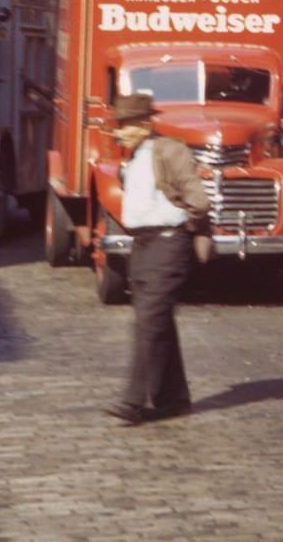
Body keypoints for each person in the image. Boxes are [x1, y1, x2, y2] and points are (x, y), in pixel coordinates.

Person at [103, 92, 211, 425]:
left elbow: (199, 199)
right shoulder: (135, 157)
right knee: (157, 320)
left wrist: (185, 227)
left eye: (126, 125)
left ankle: (133, 401)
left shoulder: (170, 150)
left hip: (167, 244)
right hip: (143, 245)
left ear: (146, 124)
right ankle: (173, 398)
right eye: (118, 125)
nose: (119, 132)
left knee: (148, 320)